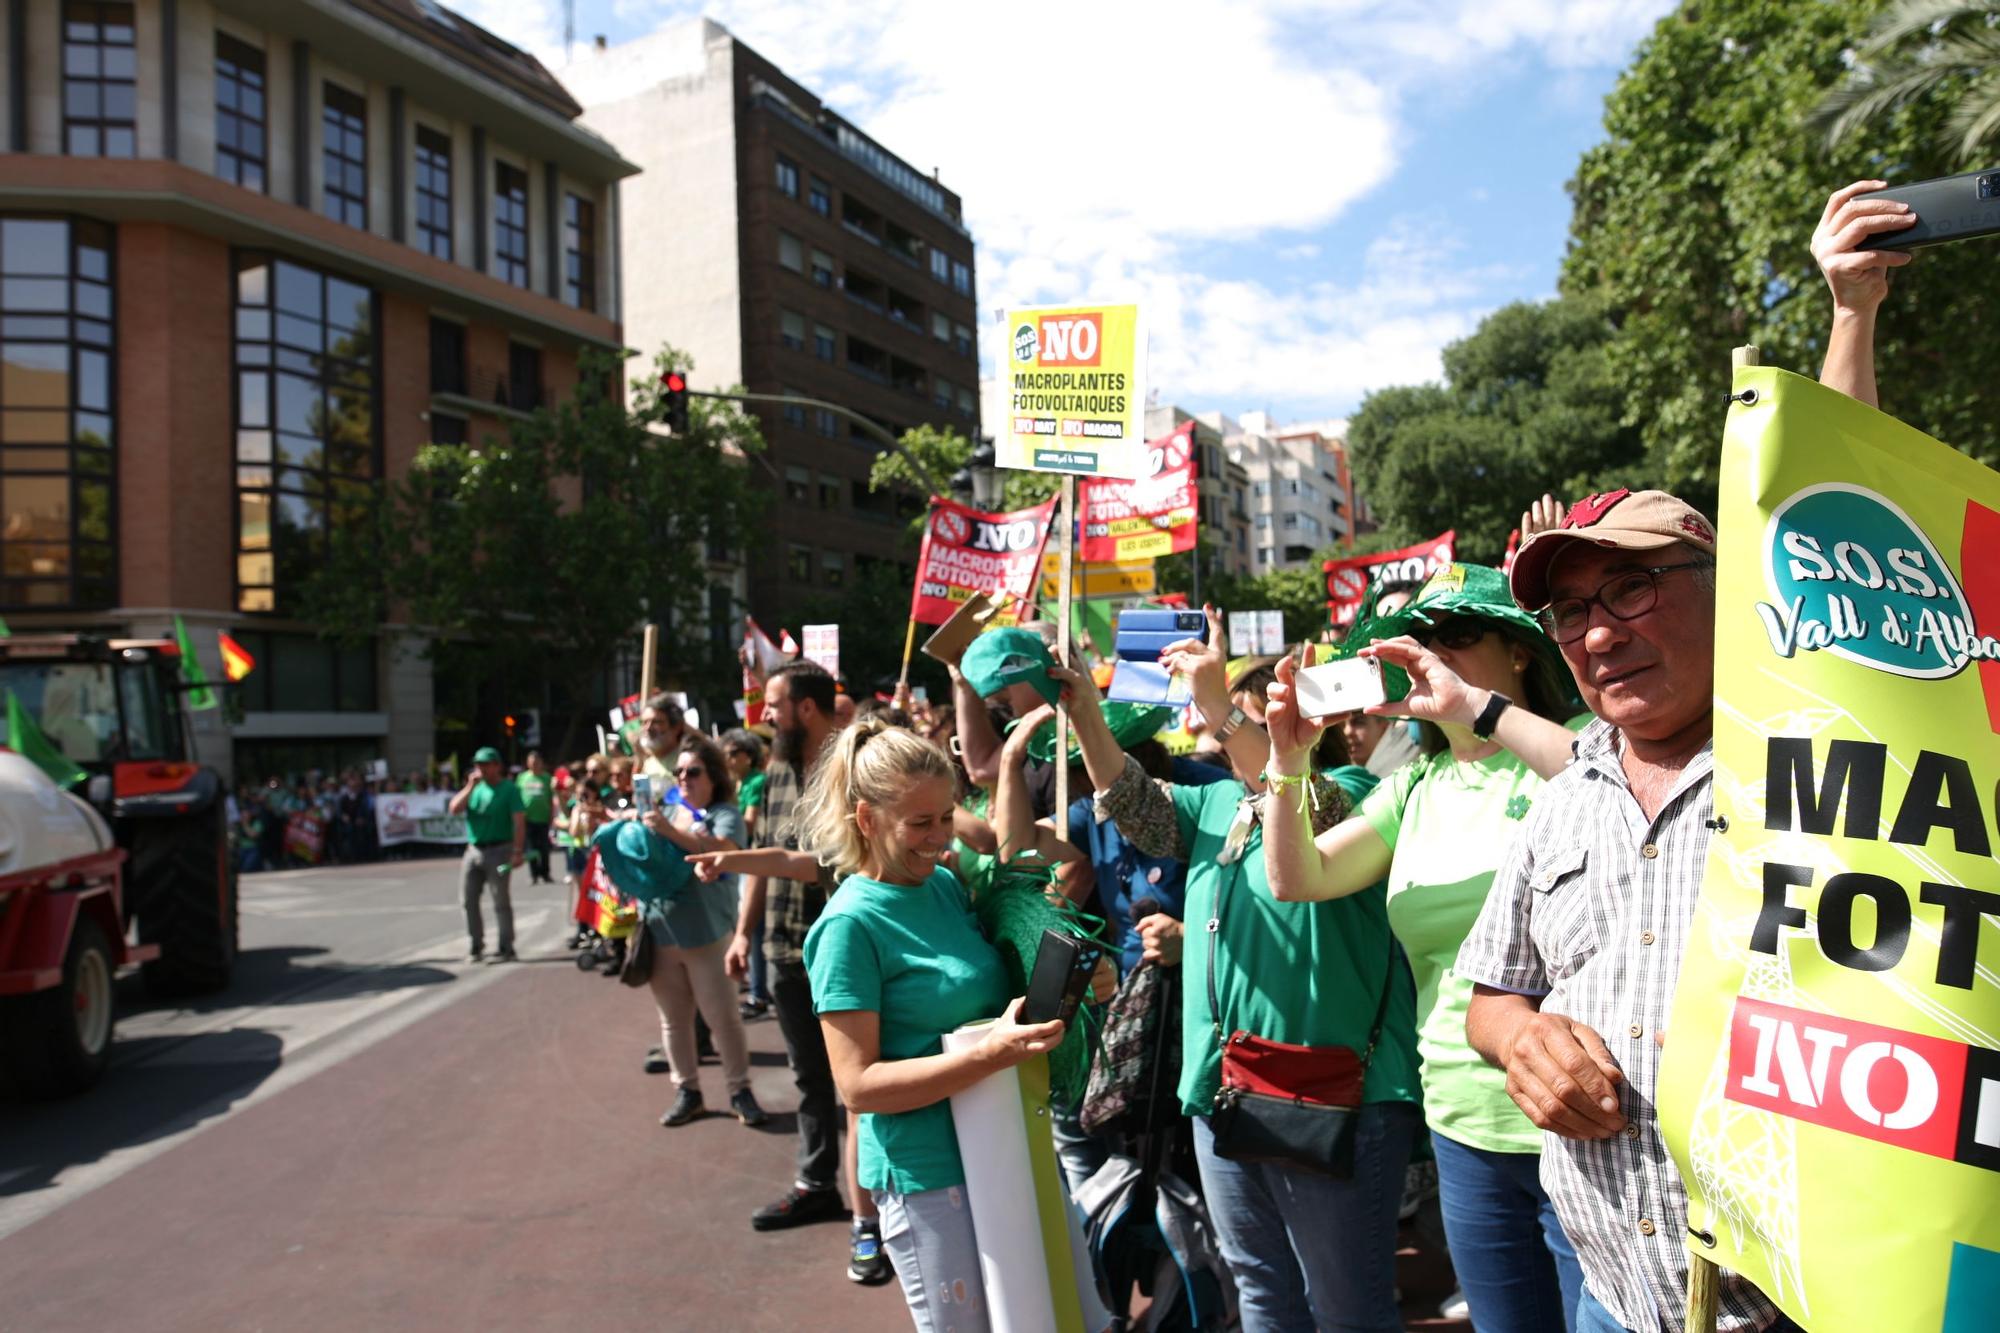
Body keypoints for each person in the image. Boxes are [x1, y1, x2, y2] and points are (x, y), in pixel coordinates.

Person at [1059, 608, 1423, 1333]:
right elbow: (1128, 799)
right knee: (1260, 1295)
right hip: (1223, 1091)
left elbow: (1298, 795)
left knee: (1348, 1311)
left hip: (1335, 1090)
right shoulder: (1216, 801)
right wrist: (1086, 714)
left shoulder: (1355, 792)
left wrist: (1221, 707)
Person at [1261, 564, 1590, 1332]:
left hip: (1582, 1121)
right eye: (1422, 639)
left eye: (1460, 636)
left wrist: (1480, 709)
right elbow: (1296, 875)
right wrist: (1286, 760)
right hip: (1461, 1126)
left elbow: (1607, 781)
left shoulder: (1568, 748)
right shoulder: (1415, 786)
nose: (1434, 653)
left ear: (1518, 653)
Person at [798, 718, 1079, 1333]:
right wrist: (989, 1058)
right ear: (866, 820)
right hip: (930, 1176)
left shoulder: (946, 886)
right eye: (919, 823)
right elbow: (858, 1087)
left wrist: (1070, 990)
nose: (939, 837)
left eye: (946, 817)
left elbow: (983, 1009)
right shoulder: (848, 926)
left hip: (1006, 1142)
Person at [716, 662, 862, 1246]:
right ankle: (817, 1184)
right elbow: (765, 854)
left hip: (840, 948)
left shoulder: (852, 767)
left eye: (773, 704)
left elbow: (820, 863)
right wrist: (743, 934)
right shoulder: (776, 768)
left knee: (856, 1084)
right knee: (809, 1078)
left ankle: (871, 1213)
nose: (764, 716)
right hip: (781, 948)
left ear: (805, 707)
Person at [634, 734, 768, 1130]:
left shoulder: (724, 812)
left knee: (722, 1018)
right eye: (679, 772)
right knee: (673, 1021)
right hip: (662, 933)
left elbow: (723, 847)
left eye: (693, 771)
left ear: (713, 776)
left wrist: (667, 830)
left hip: (707, 935)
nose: (684, 778)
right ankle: (687, 1091)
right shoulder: (668, 811)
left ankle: (739, 1090)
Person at [449, 746, 526, 964]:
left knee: (500, 900)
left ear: (496, 766)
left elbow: (519, 822)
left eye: (485, 764)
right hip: (474, 850)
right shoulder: (474, 789)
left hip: (500, 849)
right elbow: (454, 808)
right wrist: (469, 786)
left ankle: (506, 946)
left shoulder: (509, 789)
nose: (480, 769)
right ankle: (476, 944)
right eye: (478, 764)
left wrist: (517, 851)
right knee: (467, 899)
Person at [720, 729, 773, 1018]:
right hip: (739, 861)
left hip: (754, 862)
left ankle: (759, 993)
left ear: (746, 756)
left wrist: (721, 819)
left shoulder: (756, 781)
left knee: (752, 927)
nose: (725, 759)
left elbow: (749, 825)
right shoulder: (734, 783)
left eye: (730, 753)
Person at [516, 751, 555, 885]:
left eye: (537, 762)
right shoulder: (522, 778)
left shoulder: (547, 778)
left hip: (543, 818)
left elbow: (551, 799)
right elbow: (517, 797)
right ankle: (534, 874)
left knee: (544, 848)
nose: (534, 765)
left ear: (541, 763)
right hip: (528, 819)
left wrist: (551, 816)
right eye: (532, 762)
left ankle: (545, 873)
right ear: (528, 763)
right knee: (531, 849)